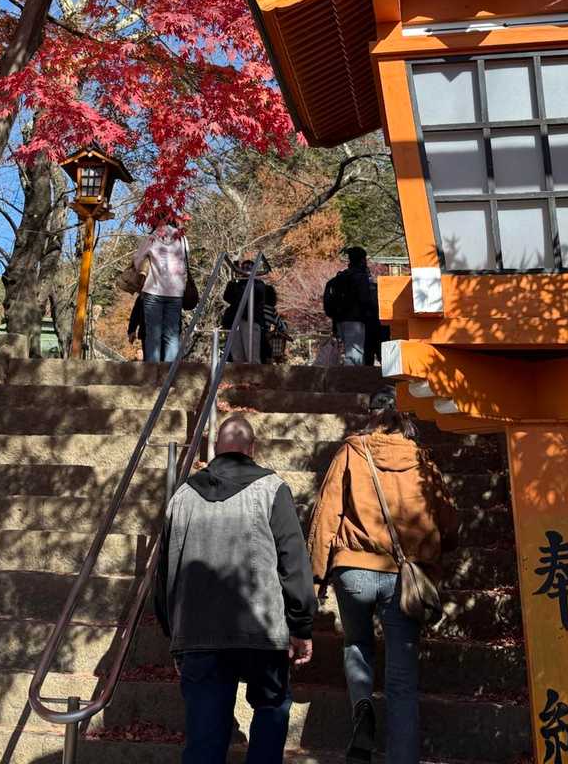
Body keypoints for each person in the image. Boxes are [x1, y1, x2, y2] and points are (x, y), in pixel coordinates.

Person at [307, 389, 459, 764]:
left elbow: (326, 516)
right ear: (404, 417)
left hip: (353, 570)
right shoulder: (422, 459)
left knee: (356, 644)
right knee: (402, 682)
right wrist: (439, 550)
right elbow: (448, 519)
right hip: (404, 577)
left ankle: (362, 708)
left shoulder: (352, 451)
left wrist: (315, 577)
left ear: (370, 415)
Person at [156, 413, 316, 764]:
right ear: (252, 448)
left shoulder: (182, 496)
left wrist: (174, 633)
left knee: (203, 739)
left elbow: (165, 572)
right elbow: (293, 561)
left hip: (198, 632)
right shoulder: (272, 489)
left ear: (215, 448)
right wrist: (301, 625)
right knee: (271, 709)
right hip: (262, 629)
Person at [132, 214, 189, 363]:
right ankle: (170, 371)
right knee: (172, 335)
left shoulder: (153, 236)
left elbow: (138, 259)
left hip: (154, 289)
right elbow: (186, 258)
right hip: (176, 291)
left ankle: (152, 371)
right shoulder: (181, 238)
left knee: (153, 334)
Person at [322, 246, 377, 365]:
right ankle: (352, 376)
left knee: (346, 354)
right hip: (355, 321)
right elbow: (365, 299)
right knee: (354, 356)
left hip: (339, 320)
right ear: (362, 259)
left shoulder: (340, 277)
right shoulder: (360, 276)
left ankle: (345, 375)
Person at [222, 259, 269, 362]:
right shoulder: (238, 284)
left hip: (251, 320)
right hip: (235, 320)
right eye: (244, 268)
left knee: (252, 356)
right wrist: (232, 282)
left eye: (249, 267)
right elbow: (227, 297)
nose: (246, 270)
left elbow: (250, 296)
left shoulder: (258, 284)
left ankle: (253, 372)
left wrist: (245, 280)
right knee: (237, 356)